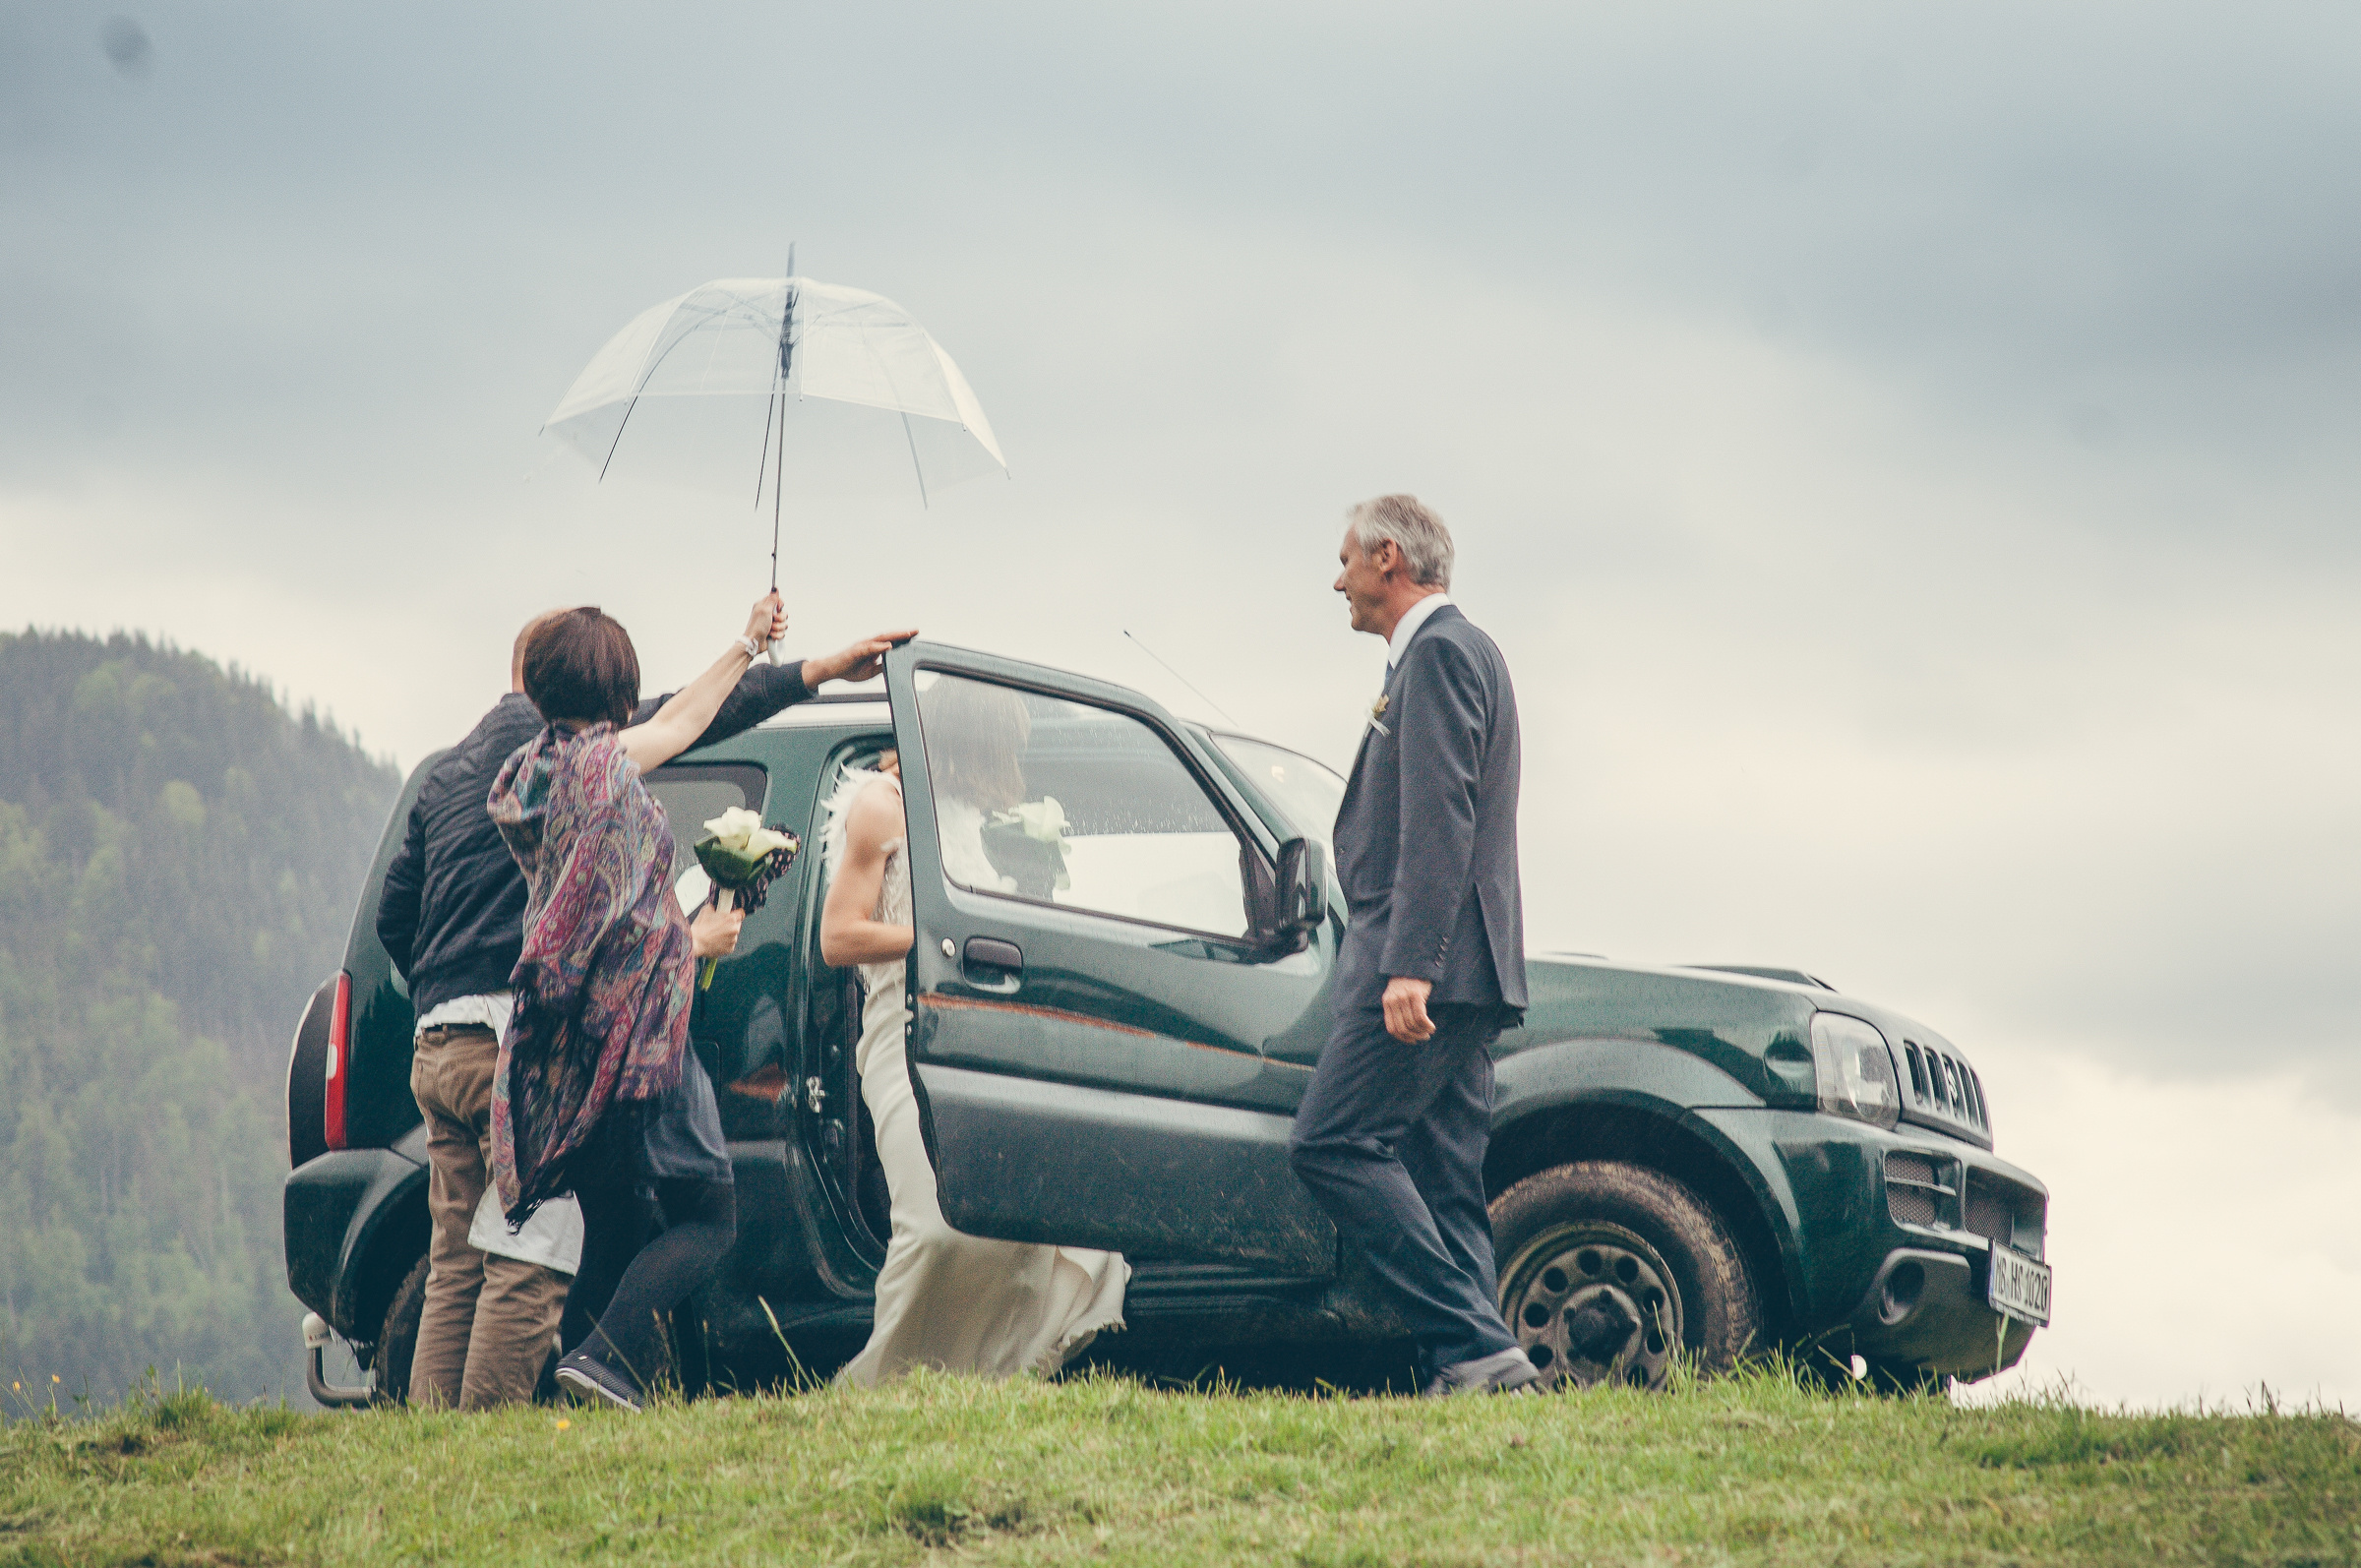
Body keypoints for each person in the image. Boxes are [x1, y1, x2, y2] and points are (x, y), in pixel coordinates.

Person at [376, 592, 911, 1410]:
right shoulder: (600, 779)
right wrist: (693, 942)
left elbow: (681, 724)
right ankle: (524, 1403)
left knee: (491, 1249)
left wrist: (746, 643)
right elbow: (590, 928)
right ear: (620, 692)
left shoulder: (526, 773)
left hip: (480, 1041)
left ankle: (474, 1415)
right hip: (602, 1043)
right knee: (609, 1235)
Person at [1288, 495, 1540, 1397]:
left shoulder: (1436, 654)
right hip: (1473, 968)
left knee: (1332, 1144)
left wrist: (1410, 968)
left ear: (1389, 558)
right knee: (1441, 1177)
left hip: (1427, 963)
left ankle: (1473, 1342)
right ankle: (1471, 1373)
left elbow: (1441, 818)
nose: (1338, 580)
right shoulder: (1468, 652)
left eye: (1347, 560)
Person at [820, 683, 1128, 1384]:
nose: (1016, 758)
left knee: (1026, 1225)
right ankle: (882, 1387)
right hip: (903, 1030)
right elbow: (839, 937)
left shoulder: (970, 816)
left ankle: (988, 1378)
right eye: (1009, 745)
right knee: (934, 1229)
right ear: (974, 742)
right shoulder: (881, 805)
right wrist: (951, 939)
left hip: (979, 1034)